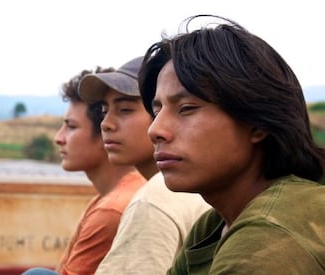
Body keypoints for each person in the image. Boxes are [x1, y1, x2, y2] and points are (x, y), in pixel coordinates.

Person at [138, 14, 325, 274]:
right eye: (157, 111)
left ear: (257, 123)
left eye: (187, 108)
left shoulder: (267, 239)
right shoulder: (214, 225)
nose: (155, 130)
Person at [79, 57, 211, 274]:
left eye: (125, 110)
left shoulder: (153, 200)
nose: (106, 123)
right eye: (104, 111)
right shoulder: (203, 185)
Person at [23, 67, 146, 275]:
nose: (58, 138)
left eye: (71, 127)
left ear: (103, 134)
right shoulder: (108, 198)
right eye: (105, 112)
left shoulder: (112, 209)